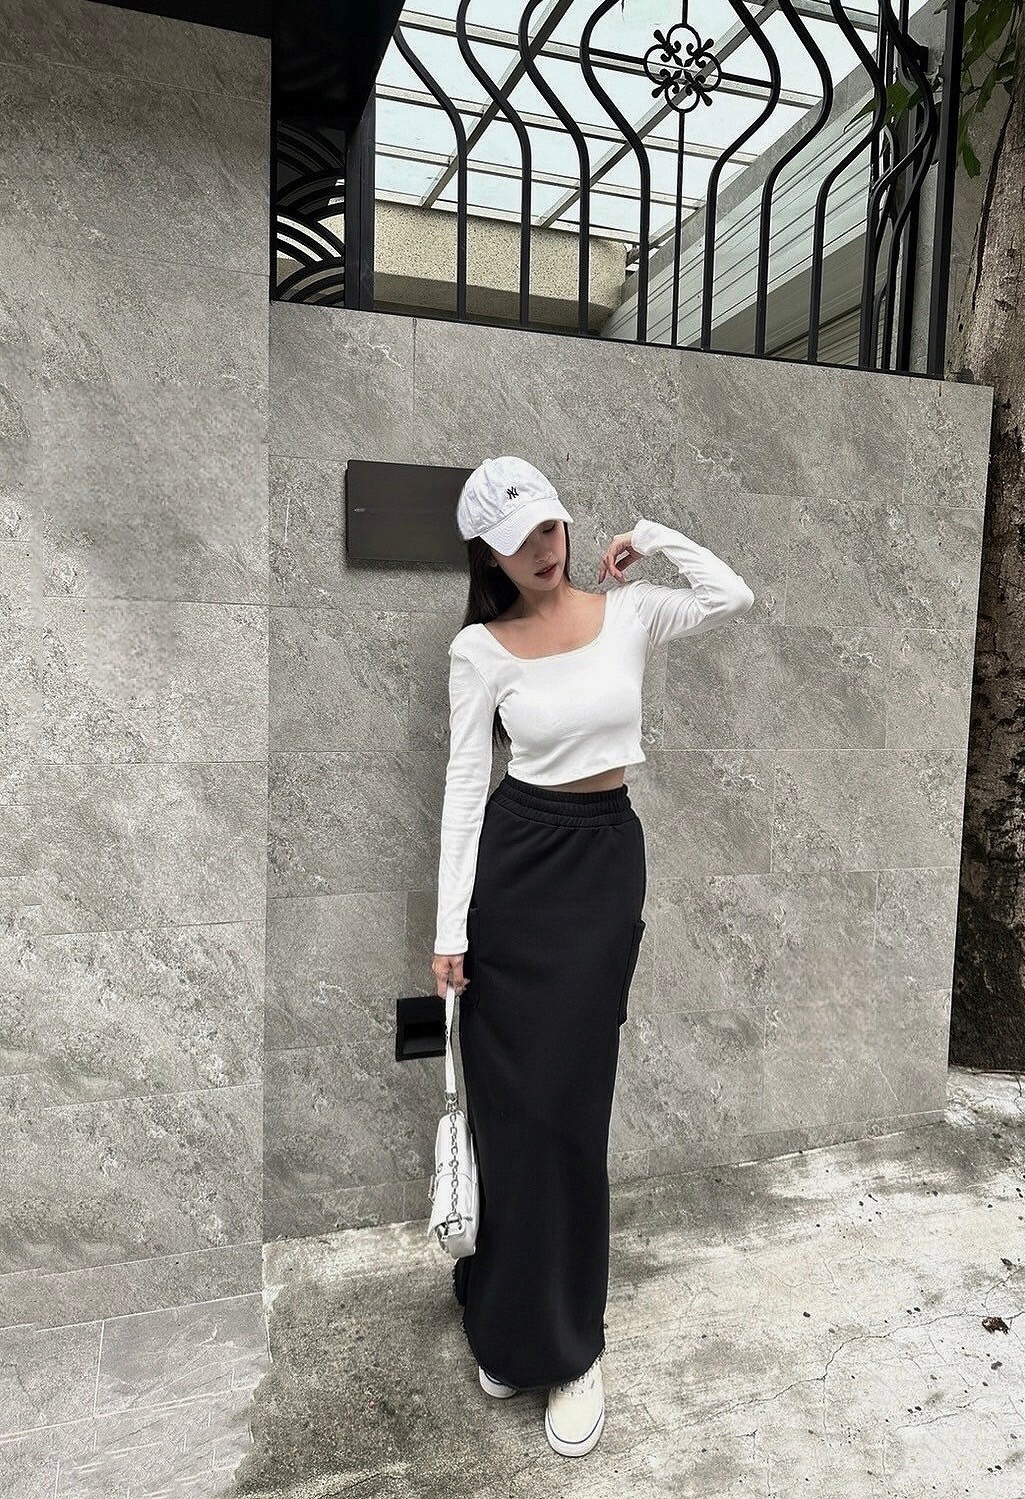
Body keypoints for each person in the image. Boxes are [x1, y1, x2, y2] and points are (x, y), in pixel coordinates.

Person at [431, 456, 754, 1458]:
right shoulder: (478, 648)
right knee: (512, 1114)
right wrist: (448, 931)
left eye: (549, 524)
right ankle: (506, 1319)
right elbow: (463, 787)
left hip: (601, 866)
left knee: (569, 1111)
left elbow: (730, 595)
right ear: (487, 556)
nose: (541, 547)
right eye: (517, 539)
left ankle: (572, 1348)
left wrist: (648, 536)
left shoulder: (629, 612)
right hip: (513, 875)